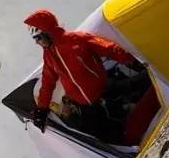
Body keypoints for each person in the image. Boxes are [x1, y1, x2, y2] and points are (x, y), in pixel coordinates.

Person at [24, 9, 145, 138]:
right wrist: (41, 109)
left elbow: (108, 48)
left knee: (136, 91)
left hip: (103, 90)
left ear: (48, 33)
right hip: (84, 104)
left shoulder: (75, 40)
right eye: (35, 39)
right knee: (103, 134)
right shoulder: (48, 55)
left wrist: (132, 61)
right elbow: (47, 82)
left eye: (38, 38)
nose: (37, 42)